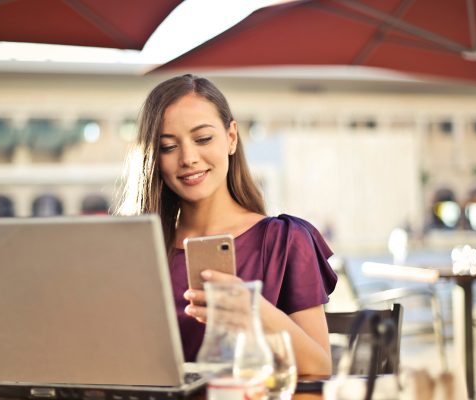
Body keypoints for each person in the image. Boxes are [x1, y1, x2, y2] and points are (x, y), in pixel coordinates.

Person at [118, 74, 337, 375]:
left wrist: (253, 310)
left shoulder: (284, 240)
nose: (188, 158)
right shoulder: (136, 250)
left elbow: (320, 366)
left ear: (231, 137)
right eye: (168, 147)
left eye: (203, 139)